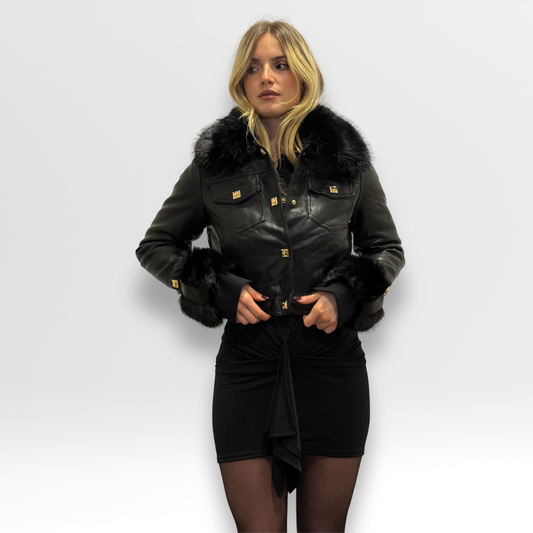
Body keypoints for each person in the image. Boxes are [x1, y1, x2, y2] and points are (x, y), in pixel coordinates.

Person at [136, 19, 404, 533]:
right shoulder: (213, 164)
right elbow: (156, 246)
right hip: (249, 368)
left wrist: (344, 296)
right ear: (241, 80)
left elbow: (386, 249)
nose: (267, 77)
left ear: (303, 73)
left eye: (280, 65)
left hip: (331, 367)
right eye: (254, 67)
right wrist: (218, 289)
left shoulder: (347, 160)